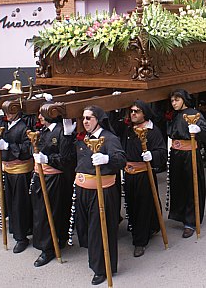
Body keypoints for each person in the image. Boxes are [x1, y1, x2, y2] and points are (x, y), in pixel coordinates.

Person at [67, 106, 125, 285]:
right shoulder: (84, 138)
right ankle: (95, 260)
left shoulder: (109, 138)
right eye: (83, 118)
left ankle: (102, 268)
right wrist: (67, 136)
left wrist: (107, 159)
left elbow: (122, 159)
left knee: (99, 230)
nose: (85, 121)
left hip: (101, 190)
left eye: (89, 118)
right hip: (83, 190)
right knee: (87, 229)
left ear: (98, 120)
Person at [113, 100, 167, 257]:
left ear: (145, 113)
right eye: (131, 111)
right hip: (129, 174)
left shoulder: (152, 131)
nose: (133, 113)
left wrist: (153, 155)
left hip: (144, 174)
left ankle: (140, 241)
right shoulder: (128, 129)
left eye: (137, 111)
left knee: (143, 206)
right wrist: (116, 110)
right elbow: (114, 128)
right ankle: (148, 228)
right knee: (132, 205)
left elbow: (162, 152)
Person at [30, 108, 76, 267]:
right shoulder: (42, 130)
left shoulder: (61, 132)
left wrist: (47, 159)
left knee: (49, 213)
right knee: (41, 212)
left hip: (54, 178)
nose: (40, 117)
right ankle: (54, 241)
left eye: (43, 114)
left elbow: (67, 159)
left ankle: (48, 248)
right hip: (41, 175)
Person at [166, 89, 206, 238]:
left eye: (177, 100)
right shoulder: (174, 115)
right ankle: (181, 215)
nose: (174, 103)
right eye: (172, 101)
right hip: (176, 154)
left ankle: (191, 220)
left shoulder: (194, 114)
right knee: (178, 186)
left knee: (191, 186)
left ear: (184, 100)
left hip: (189, 154)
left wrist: (198, 130)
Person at [0, 108, 35, 254]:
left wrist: (9, 146)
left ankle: (21, 237)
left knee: (19, 205)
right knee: (10, 203)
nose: (7, 115)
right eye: (5, 112)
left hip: (20, 172)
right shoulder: (6, 126)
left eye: (10, 112)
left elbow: (28, 148)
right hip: (7, 170)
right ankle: (17, 231)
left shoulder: (23, 127)